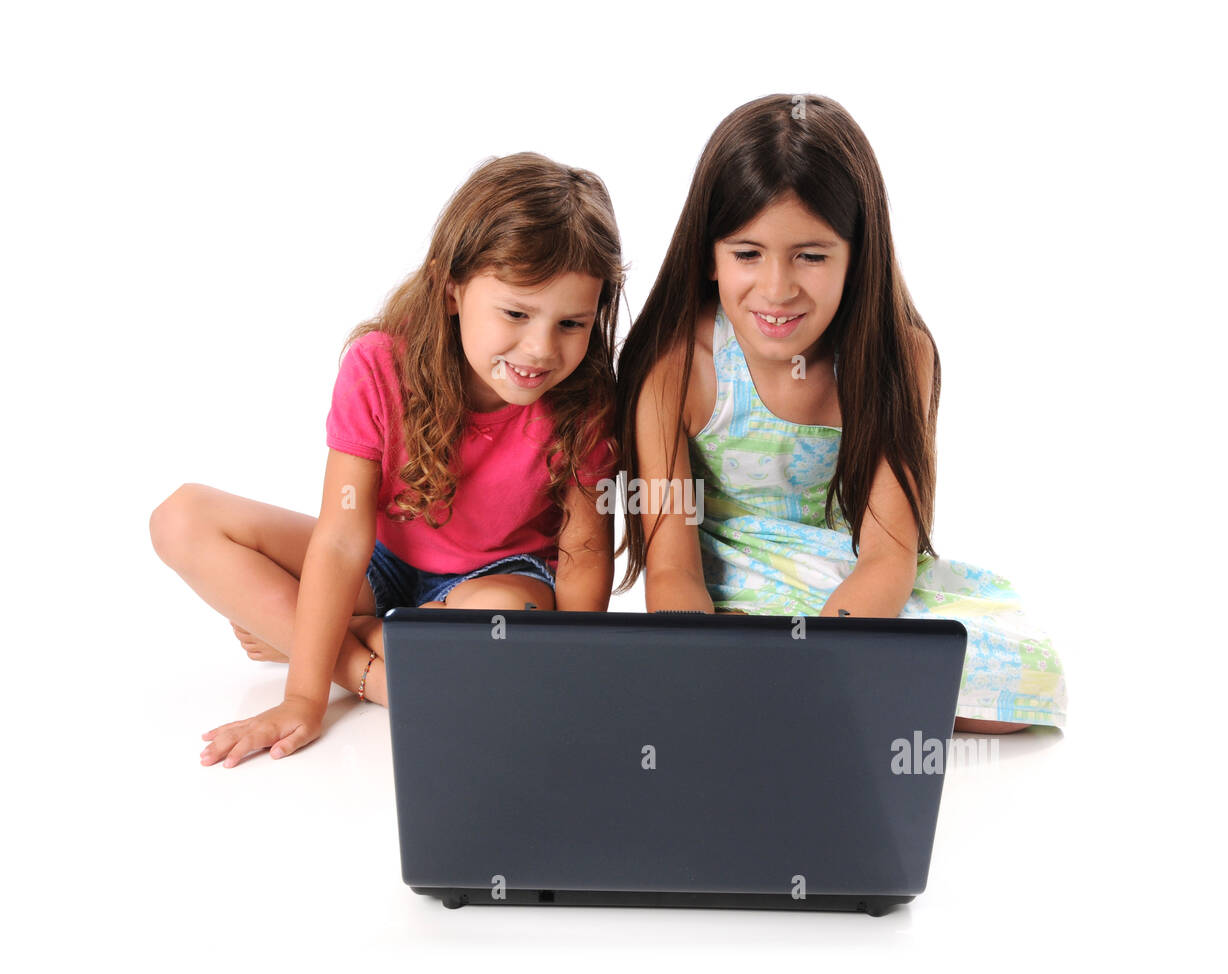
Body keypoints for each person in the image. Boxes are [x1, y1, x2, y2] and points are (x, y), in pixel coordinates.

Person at [151, 153, 624, 766]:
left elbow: (584, 553)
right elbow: (341, 541)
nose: (540, 348)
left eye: (571, 323)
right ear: (451, 289)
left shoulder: (584, 399)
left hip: (497, 581)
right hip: (379, 564)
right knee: (181, 517)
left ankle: (303, 634)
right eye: (515, 313)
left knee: (508, 617)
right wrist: (304, 697)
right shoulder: (378, 364)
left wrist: (569, 672)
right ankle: (365, 668)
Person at [613, 95, 1066, 733]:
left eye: (812, 255)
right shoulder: (679, 364)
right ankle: (812, 696)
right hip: (732, 588)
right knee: (737, 651)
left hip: (850, 586)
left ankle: (808, 695)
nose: (777, 289)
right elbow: (672, 565)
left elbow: (888, 555)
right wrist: (697, 657)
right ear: (708, 257)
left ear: (858, 255)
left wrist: (826, 659)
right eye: (748, 254)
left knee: (1028, 676)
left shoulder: (897, 355)